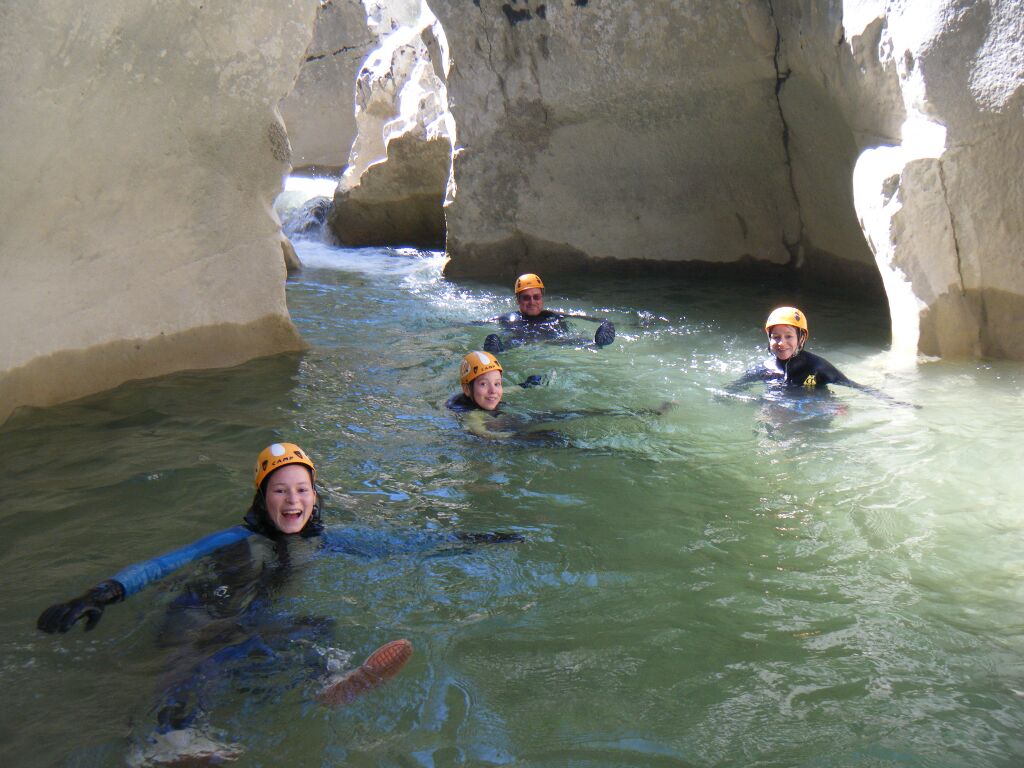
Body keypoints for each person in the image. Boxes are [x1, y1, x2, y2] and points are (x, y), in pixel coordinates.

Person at [38, 443, 521, 763]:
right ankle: (167, 737)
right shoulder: (235, 538)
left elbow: (398, 543)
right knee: (205, 654)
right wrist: (103, 593)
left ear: (314, 496)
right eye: (280, 490)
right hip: (196, 614)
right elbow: (165, 563)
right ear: (262, 497)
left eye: (301, 490)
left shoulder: (321, 539)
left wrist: (469, 539)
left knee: (315, 626)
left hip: (250, 620)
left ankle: (330, 681)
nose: (292, 501)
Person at [447, 350, 672, 441]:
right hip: (502, 433)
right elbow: (480, 432)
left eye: (497, 384)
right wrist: (515, 439)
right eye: (484, 385)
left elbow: (506, 391)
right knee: (553, 438)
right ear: (467, 390)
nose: (493, 391)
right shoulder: (470, 412)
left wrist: (524, 386)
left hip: (508, 420)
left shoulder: (490, 395)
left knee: (569, 414)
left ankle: (646, 413)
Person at [725, 306, 913, 405]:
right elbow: (733, 388)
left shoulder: (818, 367)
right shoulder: (765, 369)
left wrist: (894, 402)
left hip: (814, 408)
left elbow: (855, 387)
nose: (781, 343)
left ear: (802, 337)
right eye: (776, 337)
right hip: (781, 408)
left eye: (788, 336)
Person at [482, 273, 615, 352]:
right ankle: (497, 352)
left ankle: (600, 343)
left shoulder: (554, 316)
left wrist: (607, 324)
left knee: (586, 342)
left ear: (542, 297)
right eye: (526, 297)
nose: (532, 302)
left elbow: (593, 319)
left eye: (536, 297)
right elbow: (476, 324)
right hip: (519, 345)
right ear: (518, 300)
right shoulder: (508, 318)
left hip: (555, 343)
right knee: (502, 347)